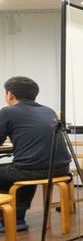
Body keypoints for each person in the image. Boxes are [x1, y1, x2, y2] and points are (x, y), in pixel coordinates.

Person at [0, 76, 71, 232]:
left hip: (31, 170)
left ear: (9, 94)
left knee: (17, 170)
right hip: (61, 169)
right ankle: (18, 218)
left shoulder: (8, 111)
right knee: (21, 168)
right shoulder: (49, 111)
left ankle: (8, 218)